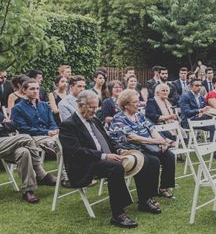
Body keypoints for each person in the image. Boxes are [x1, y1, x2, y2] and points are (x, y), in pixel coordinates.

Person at [60, 90, 162, 227]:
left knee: (147, 160)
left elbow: (108, 140)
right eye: (91, 107)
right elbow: (76, 152)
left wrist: (120, 150)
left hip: (103, 157)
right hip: (85, 164)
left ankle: (144, 200)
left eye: (96, 107)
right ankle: (118, 214)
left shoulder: (94, 120)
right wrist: (104, 156)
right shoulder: (68, 125)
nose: (94, 111)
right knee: (115, 168)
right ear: (80, 105)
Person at [110, 89, 176, 199]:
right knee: (154, 160)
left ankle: (164, 187)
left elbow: (152, 128)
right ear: (126, 105)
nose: (139, 104)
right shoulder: (119, 118)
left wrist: (162, 142)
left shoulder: (139, 115)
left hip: (147, 146)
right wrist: (155, 141)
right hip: (132, 150)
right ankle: (149, 194)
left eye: (138, 101)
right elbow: (132, 138)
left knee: (169, 155)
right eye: (135, 102)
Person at [0, 108, 52, 203]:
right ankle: (40, 172)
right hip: (3, 143)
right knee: (25, 138)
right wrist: (4, 125)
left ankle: (27, 190)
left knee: (23, 152)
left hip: (6, 145)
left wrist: (3, 125)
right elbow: (7, 125)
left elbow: (12, 125)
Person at [11, 79, 60, 156]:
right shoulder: (17, 108)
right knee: (58, 142)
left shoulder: (45, 105)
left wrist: (54, 129)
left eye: (37, 89)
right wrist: (46, 132)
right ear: (24, 90)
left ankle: (67, 166)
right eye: (32, 89)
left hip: (48, 135)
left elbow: (51, 122)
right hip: (31, 137)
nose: (36, 91)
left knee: (66, 138)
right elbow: (23, 128)